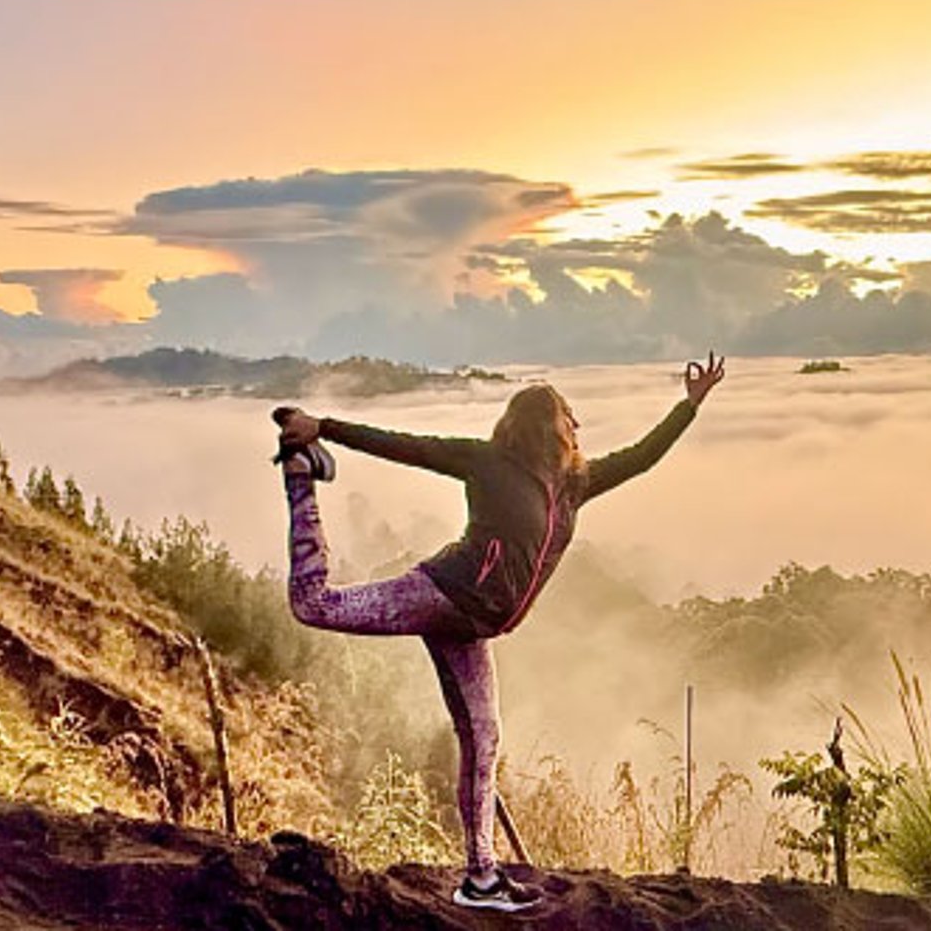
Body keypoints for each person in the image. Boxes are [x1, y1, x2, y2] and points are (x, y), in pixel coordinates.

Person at [270, 353, 725, 912]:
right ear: (546, 424)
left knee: (484, 738)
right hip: (438, 595)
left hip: (474, 627)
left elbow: (642, 457)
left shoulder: (575, 484)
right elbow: (407, 446)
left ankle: (481, 878)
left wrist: (690, 405)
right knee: (314, 605)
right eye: (570, 416)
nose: (578, 425)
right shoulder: (487, 463)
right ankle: (300, 475)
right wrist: (323, 428)